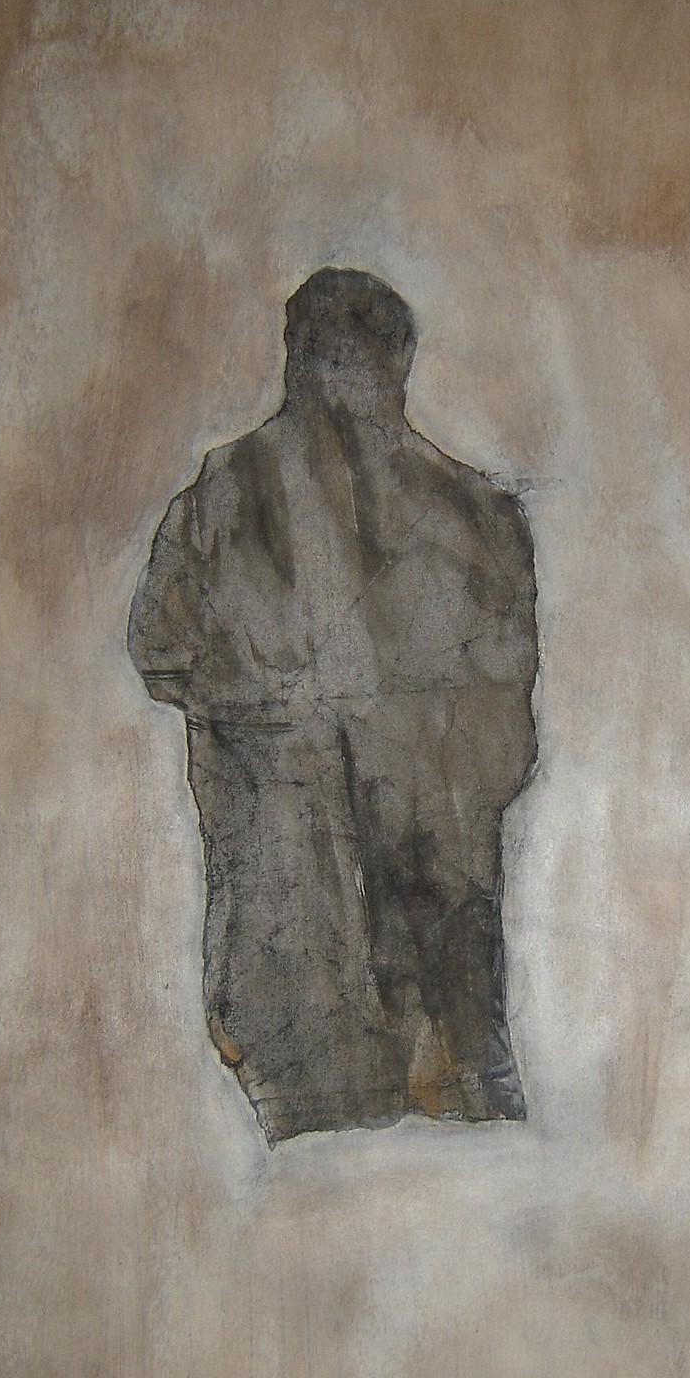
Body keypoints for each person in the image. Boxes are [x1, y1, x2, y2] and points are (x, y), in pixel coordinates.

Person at [128, 268, 538, 1143]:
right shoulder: (479, 514)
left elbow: (160, 652)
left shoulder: (225, 491)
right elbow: (511, 745)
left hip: (316, 954)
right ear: (397, 360)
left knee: (347, 1141)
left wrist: (273, 715)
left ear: (297, 356)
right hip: (402, 956)